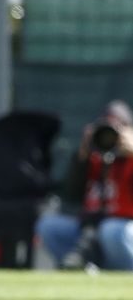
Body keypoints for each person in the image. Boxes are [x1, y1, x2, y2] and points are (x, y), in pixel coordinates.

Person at [36, 100, 133, 271]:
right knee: (49, 226)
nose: (110, 137)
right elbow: (71, 195)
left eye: (117, 129)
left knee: (110, 230)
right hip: (90, 228)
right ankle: (82, 273)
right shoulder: (94, 158)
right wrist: (82, 156)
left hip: (124, 228)